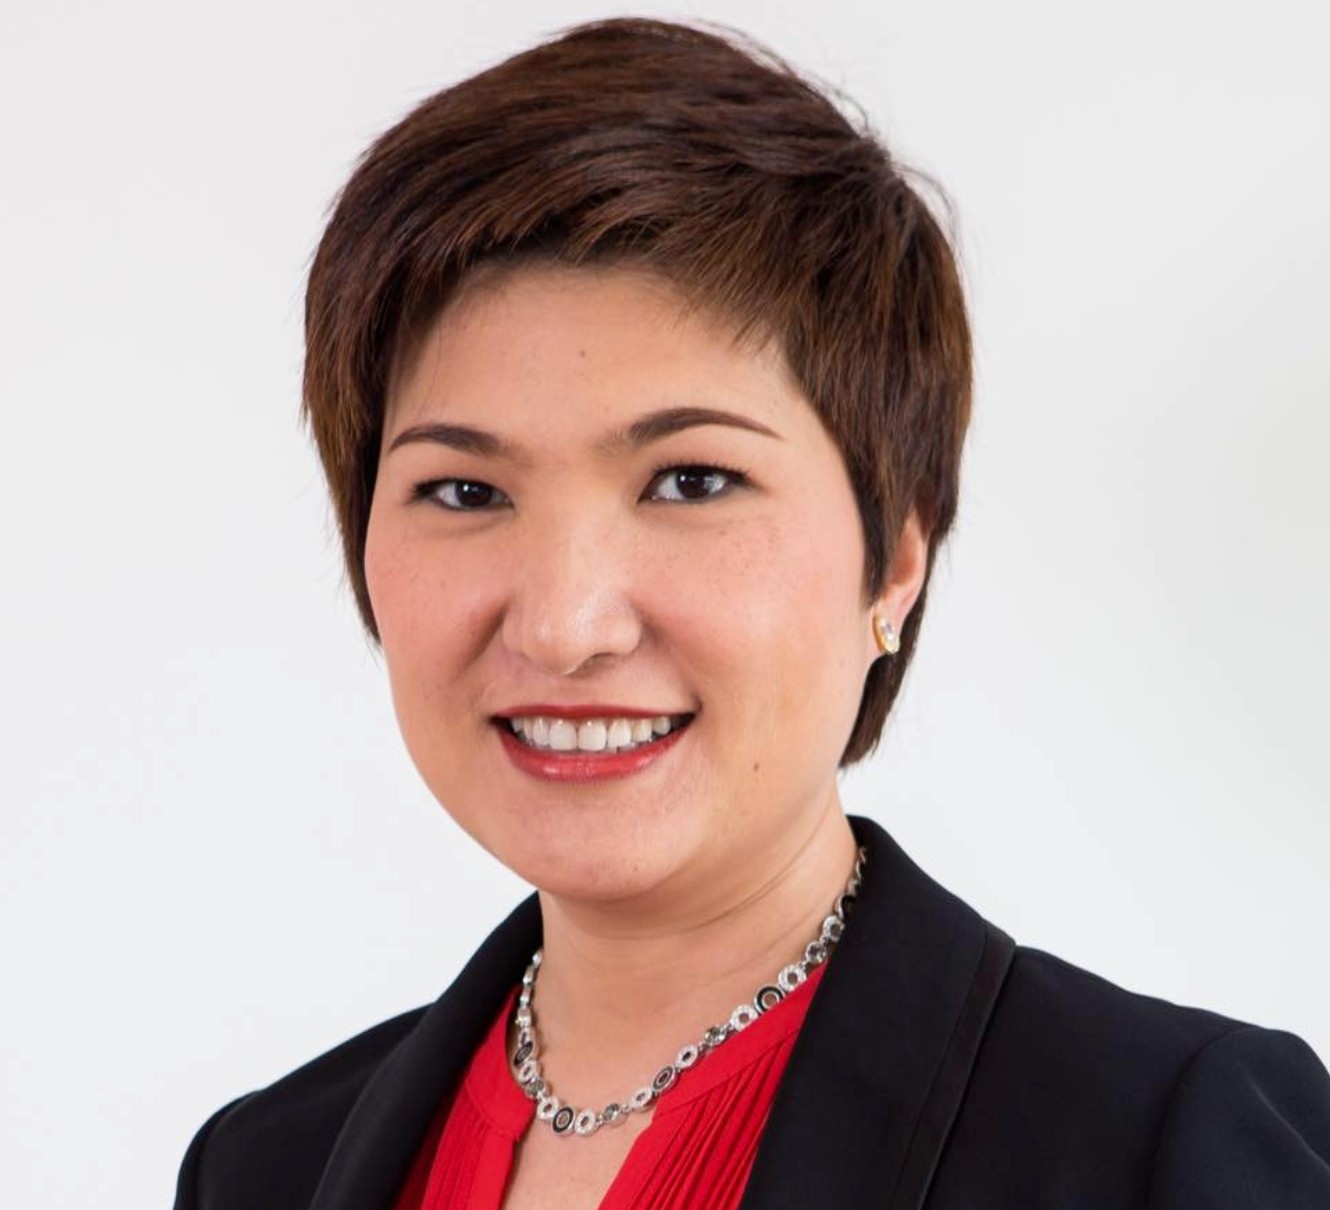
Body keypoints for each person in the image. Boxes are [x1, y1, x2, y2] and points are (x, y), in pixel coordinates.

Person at [173, 17, 1330, 1209]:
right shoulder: (261, 1168)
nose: (565, 624)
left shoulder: (1163, 1146)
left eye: (690, 481)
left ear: (895, 560)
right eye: (464, 491)